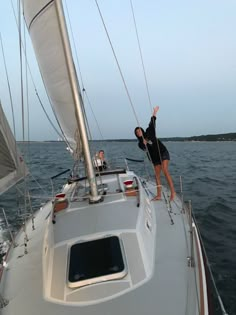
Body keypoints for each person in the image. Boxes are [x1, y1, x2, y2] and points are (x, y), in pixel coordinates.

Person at [134, 106, 176, 201]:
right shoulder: (140, 143)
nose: (138, 132)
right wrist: (144, 143)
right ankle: (158, 195)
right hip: (154, 158)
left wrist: (154, 112)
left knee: (165, 170)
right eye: (137, 132)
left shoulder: (149, 131)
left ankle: (173, 192)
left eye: (139, 130)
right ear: (136, 135)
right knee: (157, 176)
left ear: (142, 130)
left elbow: (152, 121)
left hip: (162, 152)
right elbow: (143, 147)